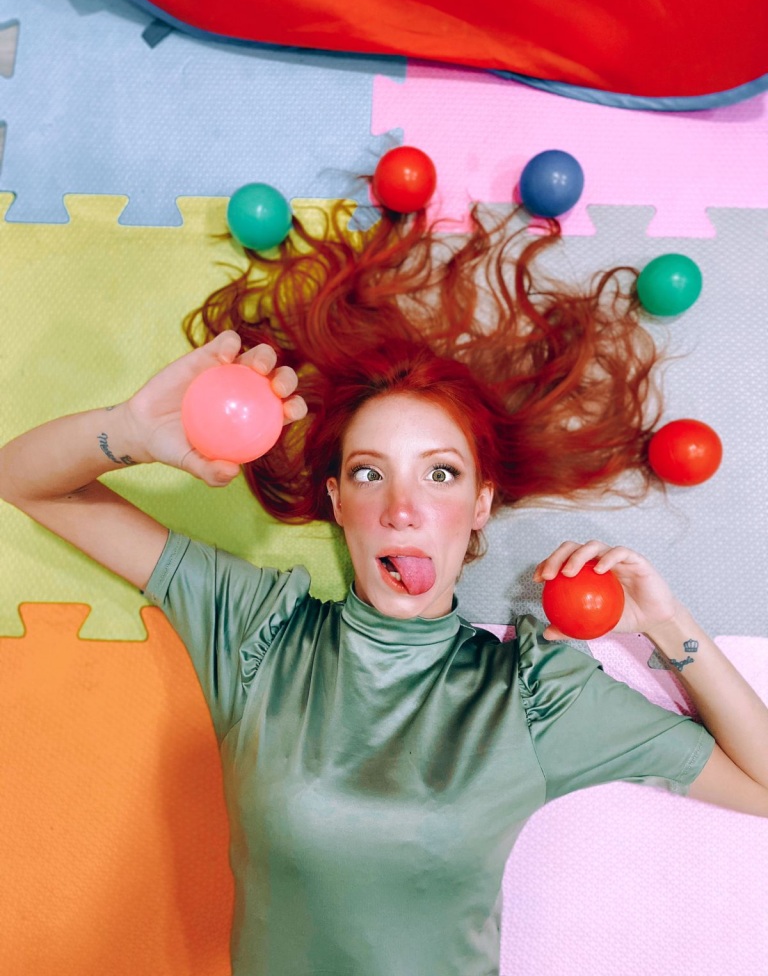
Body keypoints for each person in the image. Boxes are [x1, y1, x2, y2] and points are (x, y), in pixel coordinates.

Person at [1, 202, 766, 976]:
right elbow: (22, 481)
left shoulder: (533, 697)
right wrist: (132, 430)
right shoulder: (258, 633)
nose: (403, 508)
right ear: (338, 503)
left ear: (479, 505)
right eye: (371, 473)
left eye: (440, 474)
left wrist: (667, 622)